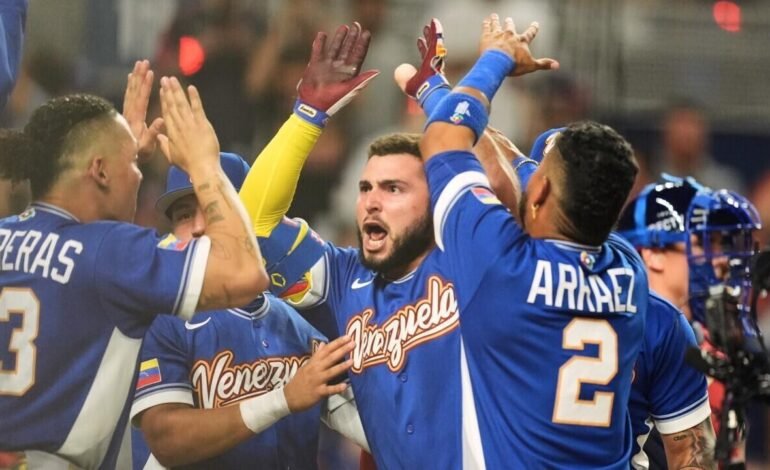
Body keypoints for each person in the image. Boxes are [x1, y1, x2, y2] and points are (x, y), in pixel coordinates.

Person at [0, 61, 268, 469]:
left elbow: (87, 274)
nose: (140, 177)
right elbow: (245, 274)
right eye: (132, 165)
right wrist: (203, 164)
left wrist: (117, 151)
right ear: (100, 171)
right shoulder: (110, 253)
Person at [415, 13, 646, 468]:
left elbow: (445, 140)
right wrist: (434, 91)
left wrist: (496, 59)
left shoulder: (500, 264)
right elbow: (513, 165)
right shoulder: (628, 269)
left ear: (539, 193)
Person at [131, 153, 365, 469]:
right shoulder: (157, 317)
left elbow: (373, 429)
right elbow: (167, 440)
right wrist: (282, 399)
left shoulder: (298, 320)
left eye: (214, 211)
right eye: (185, 215)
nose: (199, 228)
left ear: (251, 219)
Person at [619, 176, 762, 468]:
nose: (721, 259)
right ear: (654, 254)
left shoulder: (719, 352)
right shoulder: (620, 335)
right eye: (703, 243)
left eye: (722, 244)